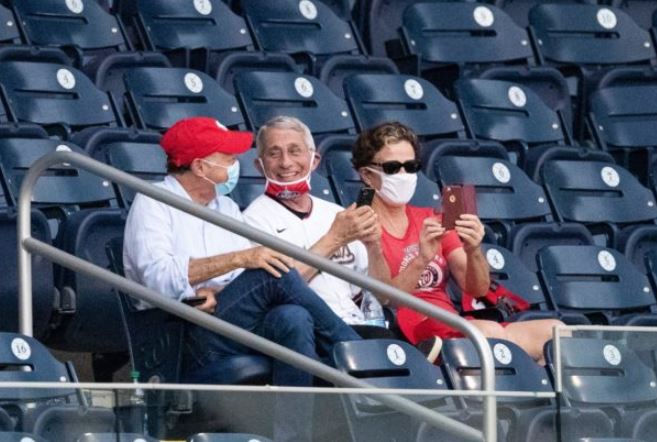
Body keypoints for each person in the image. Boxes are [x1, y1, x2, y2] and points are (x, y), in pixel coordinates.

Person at [123, 117, 361, 440]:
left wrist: (220, 282)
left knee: (294, 317)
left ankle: (291, 437)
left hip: (227, 318)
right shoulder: (153, 201)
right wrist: (238, 259)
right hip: (184, 333)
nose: (235, 163)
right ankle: (360, 360)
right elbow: (158, 278)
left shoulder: (226, 207)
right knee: (271, 271)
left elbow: (237, 280)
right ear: (200, 167)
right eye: (227, 157)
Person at [352, 121, 563, 365]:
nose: (403, 175)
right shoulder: (357, 223)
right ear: (366, 175)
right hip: (409, 331)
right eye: (392, 168)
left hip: (452, 324)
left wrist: (474, 249)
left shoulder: (431, 218)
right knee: (488, 334)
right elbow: (385, 299)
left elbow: (478, 289)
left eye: (410, 167)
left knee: (558, 333)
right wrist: (422, 259)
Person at [243, 116, 397, 340]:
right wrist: (335, 238)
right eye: (274, 154)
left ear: (314, 160)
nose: (286, 162)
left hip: (357, 325)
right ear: (260, 165)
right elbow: (277, 291)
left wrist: (374, 247)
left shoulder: (336, 213)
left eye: (295, 151)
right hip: (306, 334)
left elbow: (382, 296)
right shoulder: (252, 220)